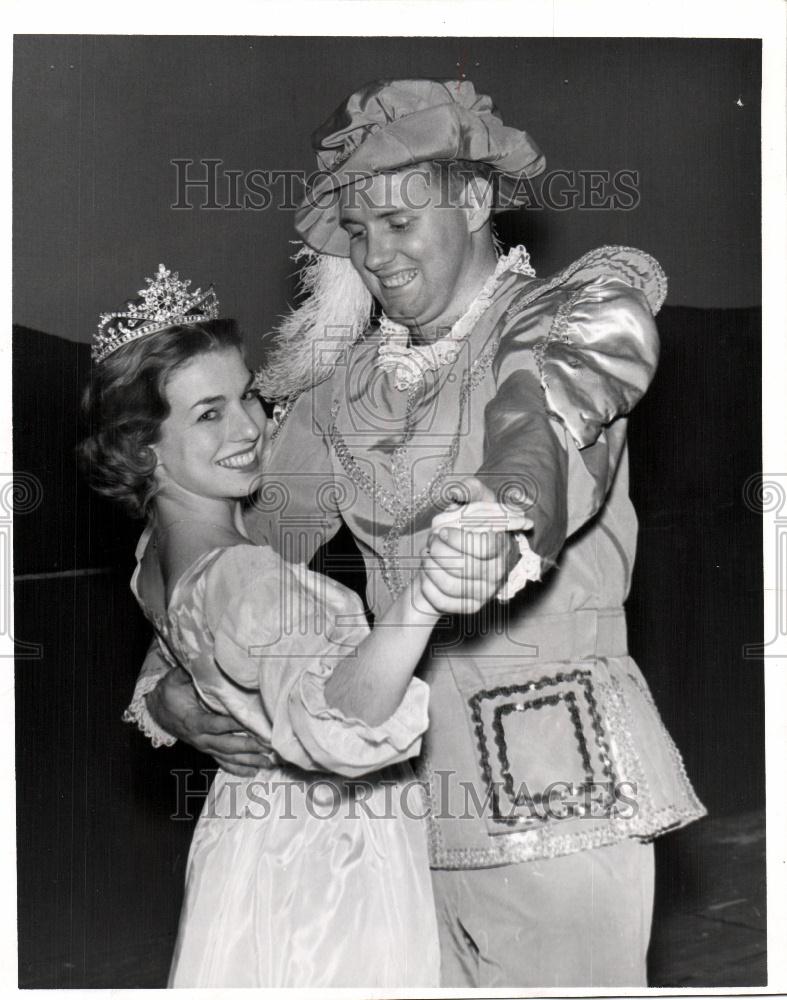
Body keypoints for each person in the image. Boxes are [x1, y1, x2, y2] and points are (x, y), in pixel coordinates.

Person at [133, 80, 706, 987]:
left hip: (556, 792)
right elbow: (233, 559)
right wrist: (174, 692)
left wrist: (496, 515)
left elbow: (547, 415)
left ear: (475, 200)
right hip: (383, 810)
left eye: (399, 223)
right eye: (357, 231)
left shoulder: (562, 317)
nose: (377, 255)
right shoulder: (339, 387)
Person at [80, 263, 527, 987]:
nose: (252, 427)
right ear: (140, 451)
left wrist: (176, 697)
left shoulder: (154, 554)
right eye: (208, 413)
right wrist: (423, 597)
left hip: (251, 830)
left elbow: (200, 646)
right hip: (333, 851)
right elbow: (343, 723)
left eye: (247, 396)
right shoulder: (244, 579)